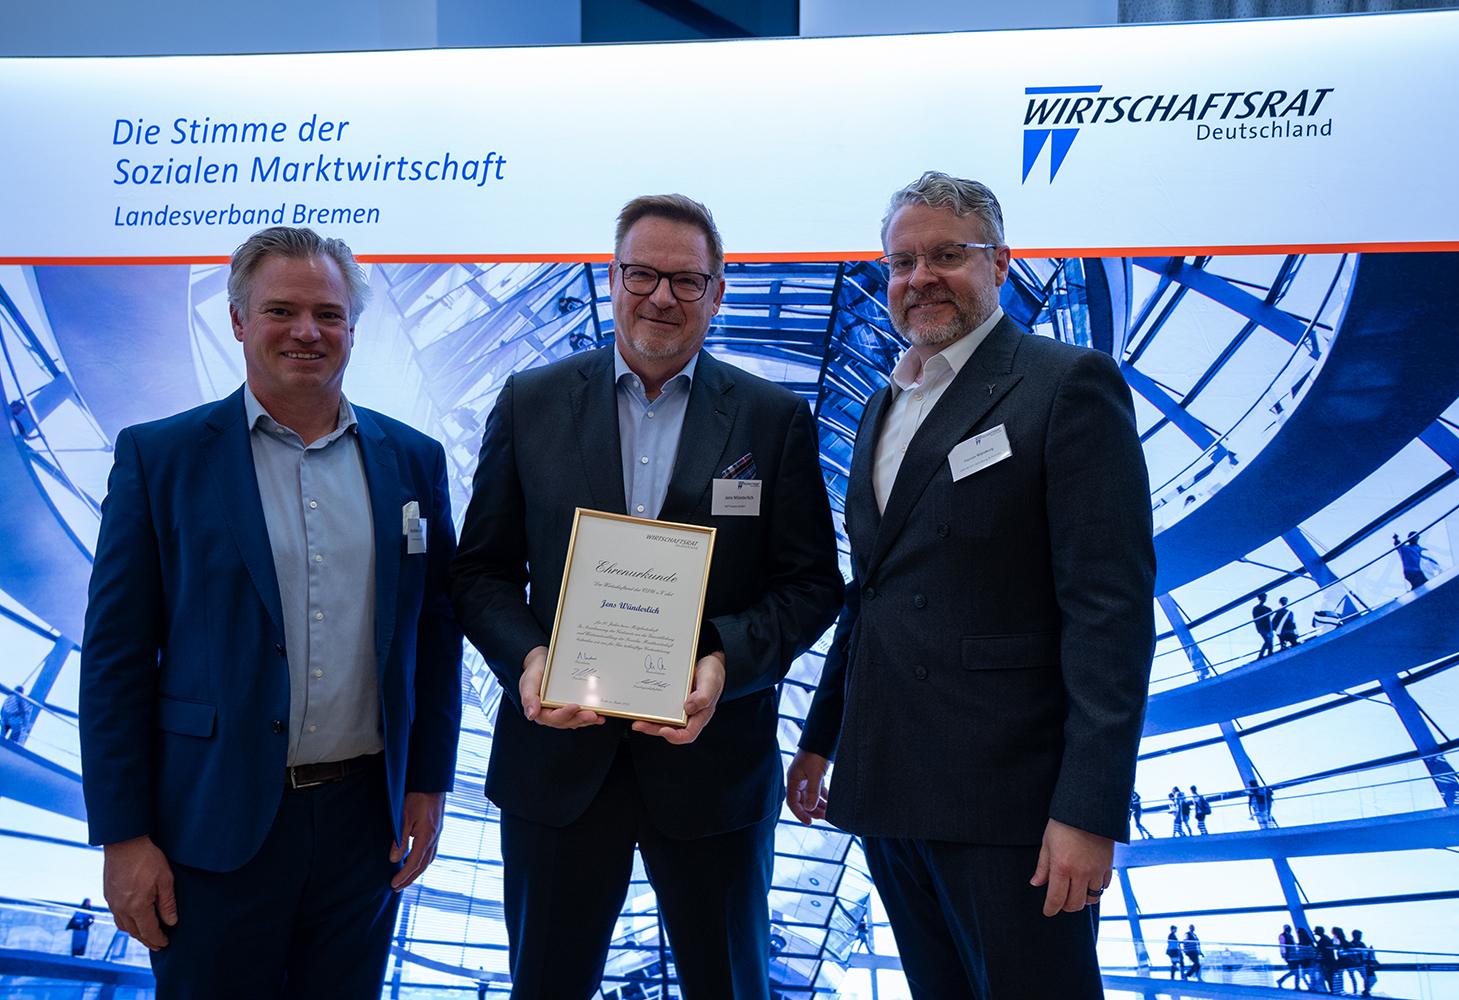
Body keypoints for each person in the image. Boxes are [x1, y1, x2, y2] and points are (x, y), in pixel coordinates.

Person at [450, 194, 843, 1000]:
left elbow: (811, 586)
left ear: (717, 292)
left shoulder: (772, 420)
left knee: (730, 986)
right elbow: (480, 570)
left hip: (714, 768)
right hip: (555, 766)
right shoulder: (530, 402)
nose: (662, 296)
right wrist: (529, 659)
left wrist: (723, 661)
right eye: (642, 275)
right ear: (612, 277)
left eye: (686, 280)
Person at [789, 171, 1155, 999]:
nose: (920, 278)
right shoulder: (883, 407)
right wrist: (821, 736)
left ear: (1000, 262)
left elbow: (1110, 611)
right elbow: (871, 593)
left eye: (947, 255)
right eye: (902, 262)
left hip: (1010, 802)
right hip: (890, 784)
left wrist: (1089, 809)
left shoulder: (1067, 384)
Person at [79, 227, 463, 999]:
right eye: (281, 310)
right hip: (209, 828)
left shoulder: (414, 461)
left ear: (353, 327)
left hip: (363, 829)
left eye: (328, 313)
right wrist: (123, 837)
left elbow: (434, 635)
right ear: (237, 320)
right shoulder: (161, 459)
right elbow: (116, 659)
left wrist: (427, 782)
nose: (306, 331)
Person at [1349, 929, 1376, 997]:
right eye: (1359, 935)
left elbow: (1365, 952)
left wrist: (1369, 950)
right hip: (1354, 964)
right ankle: (1356, 992)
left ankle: (1366, 991)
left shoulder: (1361, 944)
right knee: (1355, 978)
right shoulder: (1350, 944)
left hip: (1361, 964)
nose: (1360, 937)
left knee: (1367, 978)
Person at [1314, 926, 1338, 993]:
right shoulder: (1325, 938)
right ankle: (1332, 989)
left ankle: (1332, 989)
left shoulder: (1324, 939)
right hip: (1328, 960)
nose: (1315, 932)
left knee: (1328, 975)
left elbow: (1321, 949)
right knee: (1328, 975)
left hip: (1327, 960)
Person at [1252, 592, 1275, 659]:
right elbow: (1256, 619)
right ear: (1260, 598)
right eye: (1263, 597)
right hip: (1262, 627)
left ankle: (1270, 652)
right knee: (1267, 640)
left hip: (1268, 627)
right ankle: (1261, 655)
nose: (1265, 599)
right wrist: (1259, 628)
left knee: (1270, 640)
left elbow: (1271, 613)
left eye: (1265, 597)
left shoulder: (1267, 608)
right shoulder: (1256, 608)